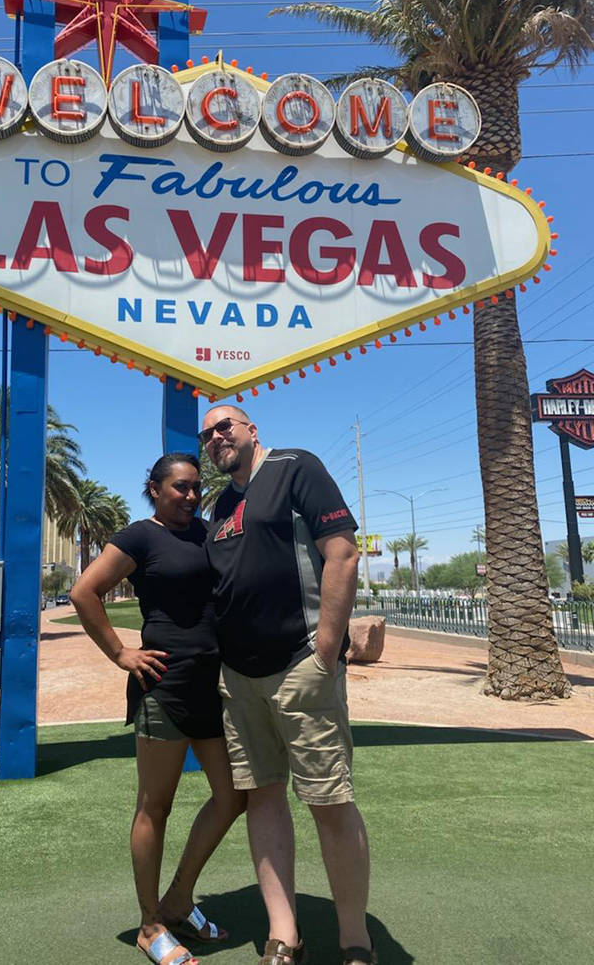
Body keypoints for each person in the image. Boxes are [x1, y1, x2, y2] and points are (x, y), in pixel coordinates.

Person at [200, 406, 374, 965]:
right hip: (240, 678)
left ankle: (354, 939)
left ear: (252, 429)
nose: (215, 437)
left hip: (300, 666)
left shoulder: (297, 467)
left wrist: (326, 648)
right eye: (206, 434)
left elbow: (341, 553)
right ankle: (284, 934)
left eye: (225, 425)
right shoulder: (221, 504)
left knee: (330, 800)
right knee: (264, 798)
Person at [71, 452, 246, 965]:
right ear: (154, 489)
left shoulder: (208, 533)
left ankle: (177, 899)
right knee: (156, 806)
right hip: (163, 685)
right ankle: (149, 925)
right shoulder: (139, 537)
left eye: (196, 488)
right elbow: (85, 592)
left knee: (234, 796)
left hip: (212, 686)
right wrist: (121, 653)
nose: (191, 497)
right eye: (180, 488)